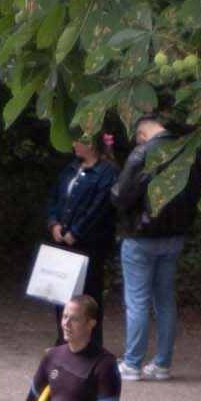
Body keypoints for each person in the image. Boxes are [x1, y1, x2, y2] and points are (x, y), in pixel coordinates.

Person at [113, 116, 201, 382]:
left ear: (141, 133)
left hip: (141, 236)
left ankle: (132, 364)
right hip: (175, 236)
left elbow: (121, 195)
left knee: (137, 300)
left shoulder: (143, 153)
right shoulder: (189, 152)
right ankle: (162, 364)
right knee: (165, 300)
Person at [45, 134, 118, 340]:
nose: (74, 143)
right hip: (62, 241)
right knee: (61, 294)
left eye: (79, 140)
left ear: (93, 144)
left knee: (88, 296)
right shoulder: (70, 169)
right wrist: (54, 224)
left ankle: (91, 343)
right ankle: (64, 341)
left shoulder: (107, 172)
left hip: (89, 246)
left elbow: (100, 208)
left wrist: (76, 232)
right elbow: (55, 198)